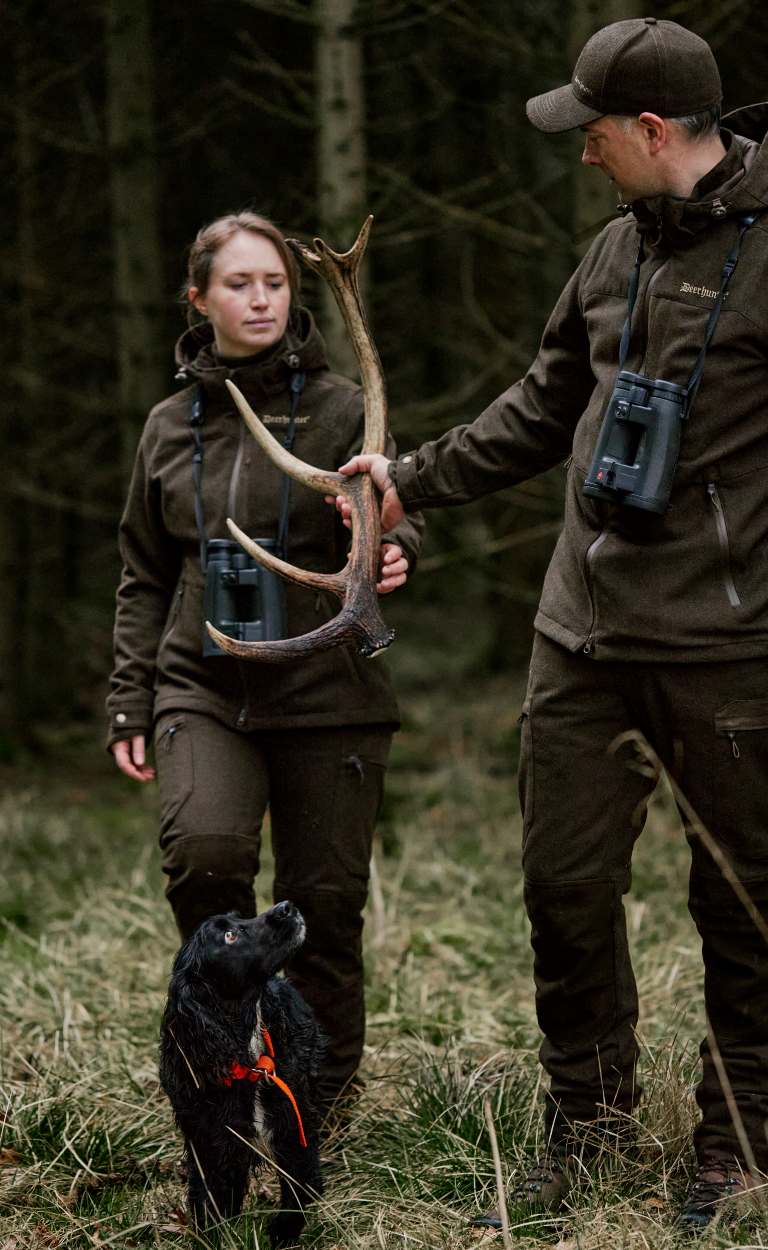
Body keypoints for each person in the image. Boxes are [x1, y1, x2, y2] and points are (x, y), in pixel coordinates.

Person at [337, 17, 768, 1231]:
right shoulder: (611, 251)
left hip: (733, 658)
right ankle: (590, 1121)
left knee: (740, 905)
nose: (583, 151)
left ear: (654, 130)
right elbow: (544, 404)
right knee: (563, 886)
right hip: (580, 643)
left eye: (595, 131)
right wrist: (413, 476)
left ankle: (740, 1147)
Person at [107, 211, 423, 1125]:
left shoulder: (341, 406)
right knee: (207, 860)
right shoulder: (168, 427)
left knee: (322, 904)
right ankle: (217, 1072)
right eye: (239, 284)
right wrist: (131, 699)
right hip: (203, 687)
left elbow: (397, 514)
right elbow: (142, 573)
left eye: (276, 283)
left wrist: (397, 552)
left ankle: (310, 1104)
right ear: (198, 299)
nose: (260, 299)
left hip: (332, 691)